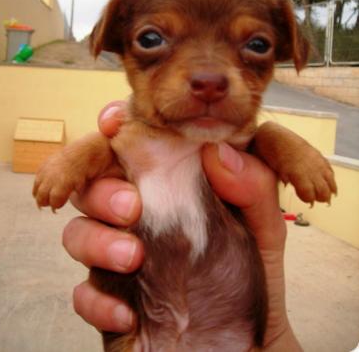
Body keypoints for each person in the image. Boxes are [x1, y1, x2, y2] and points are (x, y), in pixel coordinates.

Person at [62, 102, 303, 351]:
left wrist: (279, 143)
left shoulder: (234, 136)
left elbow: (259, 142)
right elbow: (107, 153)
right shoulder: (135, 128)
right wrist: (79, 159)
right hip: (145, 327)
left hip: (237, 330)